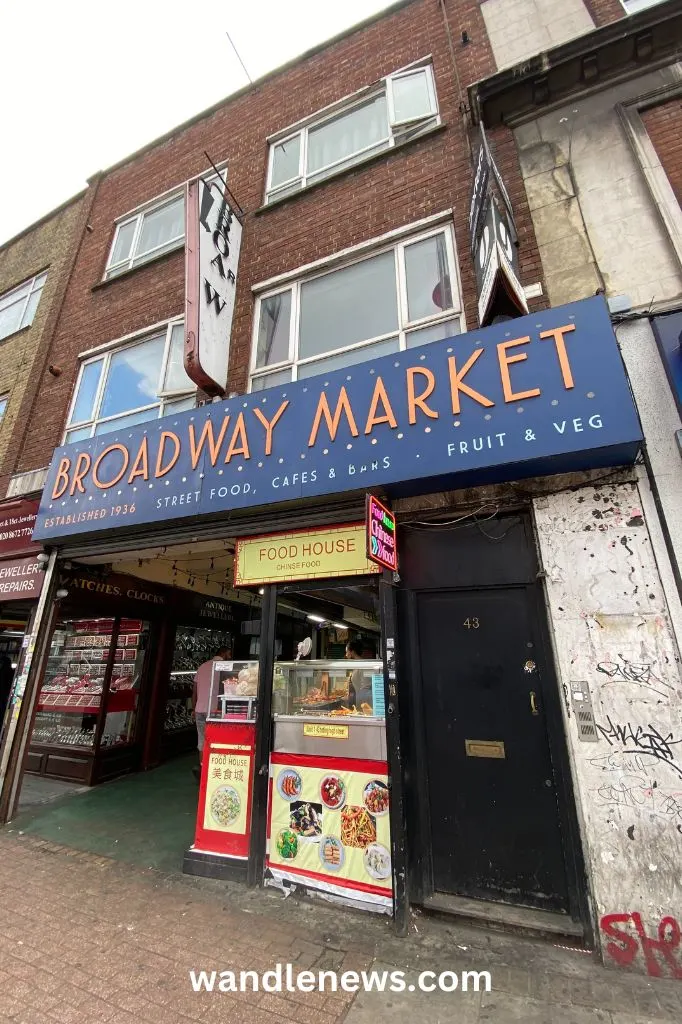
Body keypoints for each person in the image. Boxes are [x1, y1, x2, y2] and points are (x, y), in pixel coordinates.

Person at [192, 646, 230, 776]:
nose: (230, 656)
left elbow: (195, 690)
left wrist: (193, 708)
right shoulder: (224, 667)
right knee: (216, 739)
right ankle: (214, 769)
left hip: (199, 709)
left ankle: (203, 768)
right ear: (224, 653)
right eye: (229, 654)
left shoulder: (202, 666)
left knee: (202, 740)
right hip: (214, 710)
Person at [345, 639, 373, 712]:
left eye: (347, 652)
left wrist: (363, 707)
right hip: (360, 701)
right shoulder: (356, 665)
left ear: (352, 652)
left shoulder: (363, 665)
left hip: (366, 704)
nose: (346, 655)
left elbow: (366, 688)